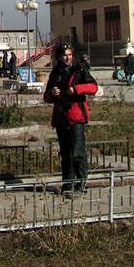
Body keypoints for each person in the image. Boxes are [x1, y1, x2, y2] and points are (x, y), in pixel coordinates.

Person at [43, 44, 98, 197]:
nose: (67, 58)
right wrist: (52, 93)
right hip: (61, 118)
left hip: (76, 116)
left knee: (78, 152)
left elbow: (93, 87)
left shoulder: (79, 70)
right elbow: (46, 97)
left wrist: (77, 89)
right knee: (66, 153)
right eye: (64, 55)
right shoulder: (55, 73)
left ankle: (81, 184)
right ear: (59, 57)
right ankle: (68, 183)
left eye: (69, 55)